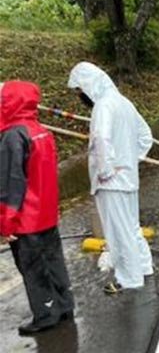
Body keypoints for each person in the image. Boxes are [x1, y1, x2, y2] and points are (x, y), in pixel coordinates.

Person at [67, 62, 154, 294]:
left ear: (88, 86)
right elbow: (146, 136)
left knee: (118, 232)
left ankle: (129, 280)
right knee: (131, 227)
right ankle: (144, 268)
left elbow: (101, 140)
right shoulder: (124, 102)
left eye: (79, 91)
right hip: (127, 179)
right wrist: (129, 162)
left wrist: (106, 171)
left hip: (112, 182)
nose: (80, 96)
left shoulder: (103, 106)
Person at [0, 80, 75, 335]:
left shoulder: (13, 136)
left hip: (27, 219)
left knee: (33, 268)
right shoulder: (40, 130)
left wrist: (6, 222)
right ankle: (64, 305)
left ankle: (45, 314)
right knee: (54, 261)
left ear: (10, 102)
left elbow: (12, 183)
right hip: (46, 214)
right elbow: (48, 176)